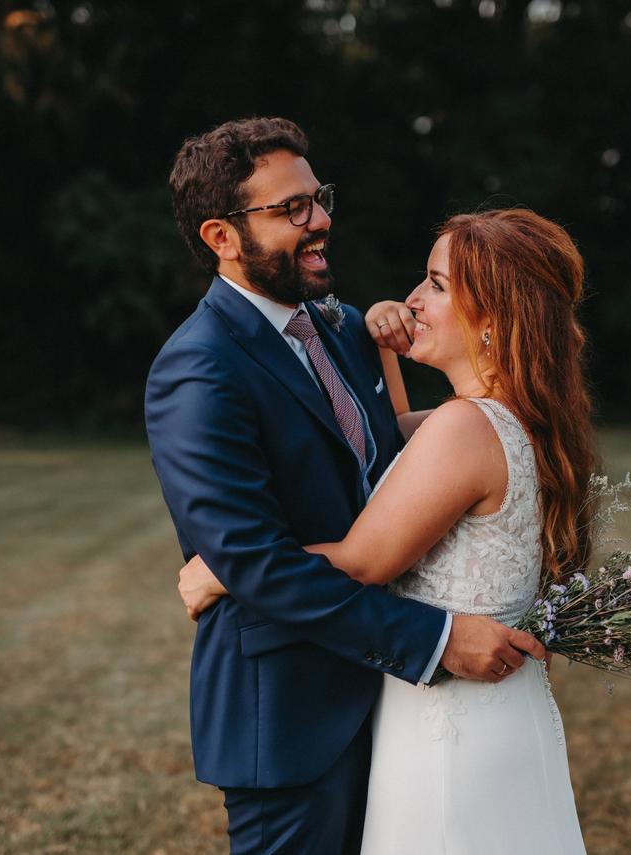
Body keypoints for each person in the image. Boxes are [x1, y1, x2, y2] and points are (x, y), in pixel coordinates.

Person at [146, 117, 545, 855]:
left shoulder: (341, 329)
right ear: (221, 237)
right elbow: (260, 564)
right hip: (293, 717)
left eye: (317, 196)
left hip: (390, 711)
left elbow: (399, 468)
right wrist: (435, 638)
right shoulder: (199, 371)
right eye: (291, 207)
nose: (321, 218)